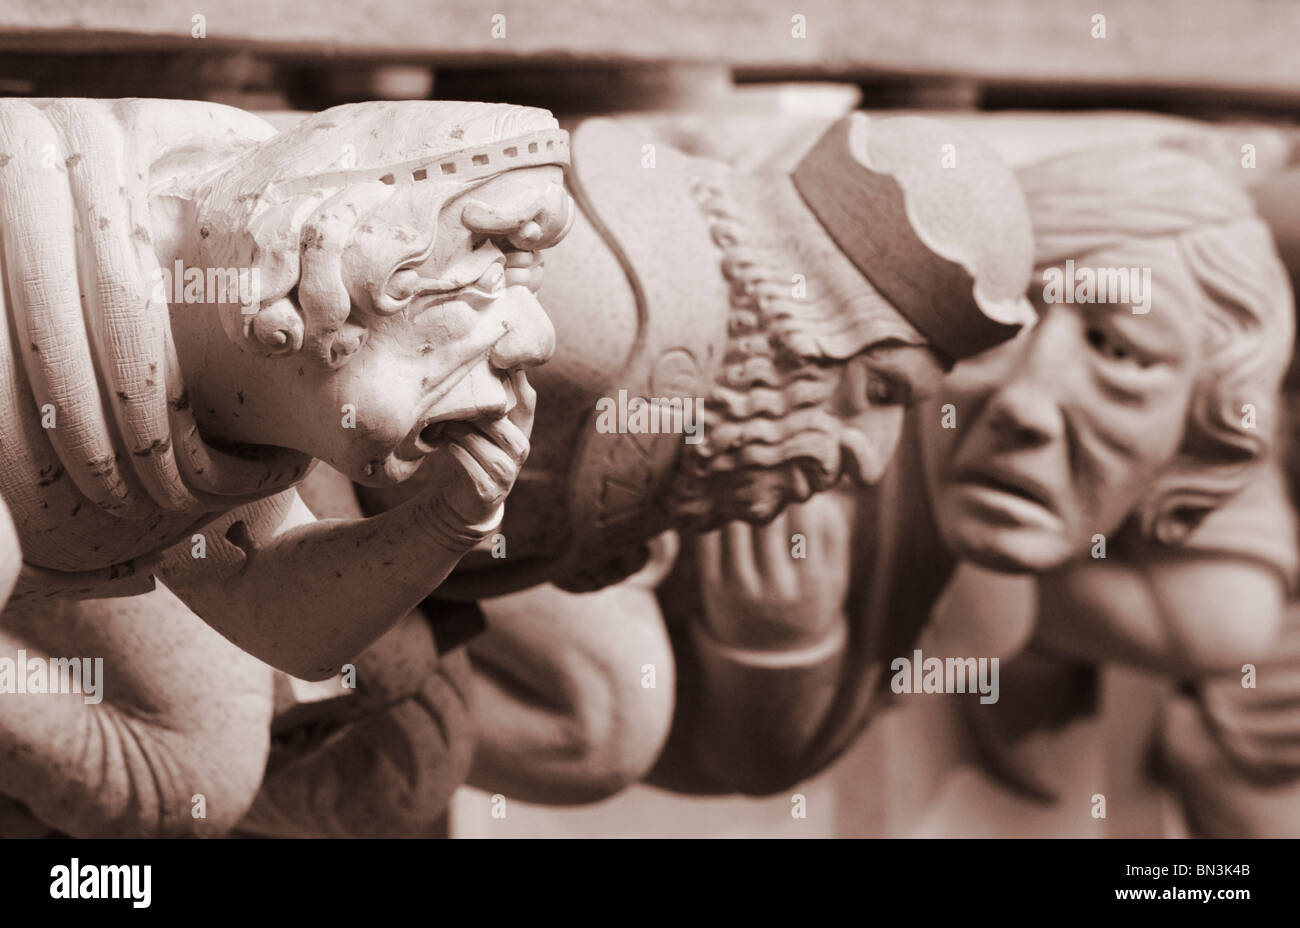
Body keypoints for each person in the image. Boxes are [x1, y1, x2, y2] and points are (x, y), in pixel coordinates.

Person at [667, 141, 1297, 816]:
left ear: (1195, 447)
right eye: (1002, 329)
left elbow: (763, 757)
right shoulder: (802, 438)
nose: (1025, 402)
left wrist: (776, 648)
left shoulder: (987, 614)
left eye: (1118, 354)